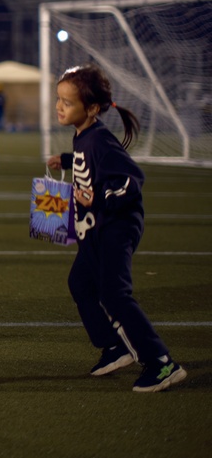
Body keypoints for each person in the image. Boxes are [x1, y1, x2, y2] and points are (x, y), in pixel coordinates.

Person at [47, 63, 186, 393]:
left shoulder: (100, 139)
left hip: (116, 227)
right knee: (81, 282)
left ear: (92, 108)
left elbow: (131, 180)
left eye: (68, 102)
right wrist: (67, 160)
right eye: (59, 99)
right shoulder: (84, 135)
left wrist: (100, 196)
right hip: (97, 227)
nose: (59, 106)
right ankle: (115, 346)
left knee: (114, 293)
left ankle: (162, 363)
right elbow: (89, 161)